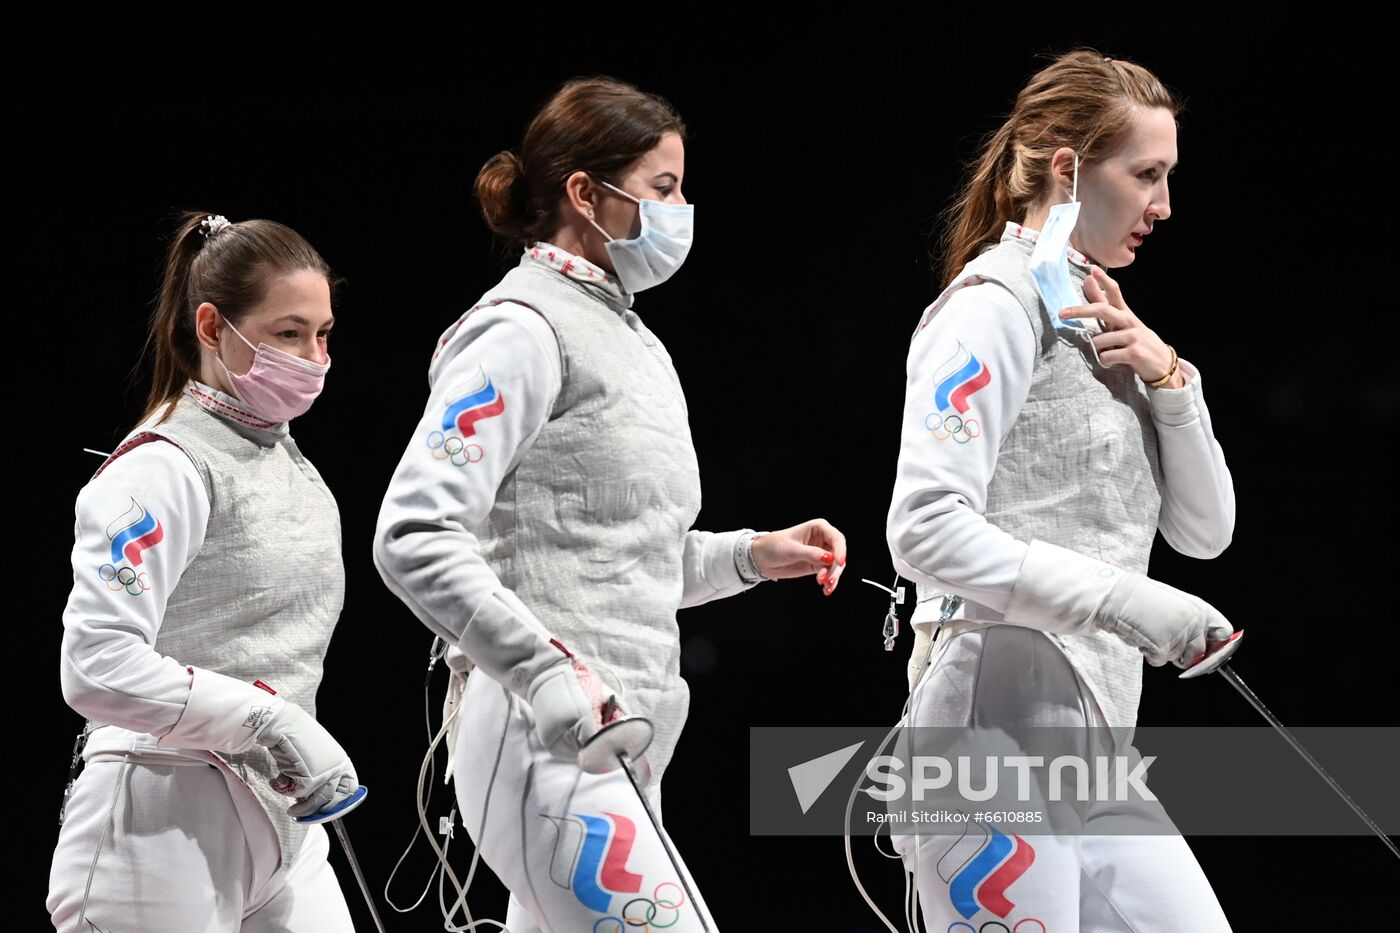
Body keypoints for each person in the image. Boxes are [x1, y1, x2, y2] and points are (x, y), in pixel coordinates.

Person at [373, 76, 847, 932]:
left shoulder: (630, 339)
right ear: (585, 194)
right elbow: (411, 533)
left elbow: (611, 553)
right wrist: (547, 668)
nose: (680, 209)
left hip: (621, 745)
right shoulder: (519, 329)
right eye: (662, 189)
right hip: (539, 737)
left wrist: (749, 554)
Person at [885, 50, 1236, 930]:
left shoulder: (1101, 321)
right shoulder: (992, 306)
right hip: (986, 738)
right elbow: (924, 528)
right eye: (1147, 175)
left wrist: (1170, 380)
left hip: (1091, 749)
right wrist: (1121, 599)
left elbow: (1205, 533)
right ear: (1069, 170)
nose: (1163, 206)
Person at [48, 213, 360, 931]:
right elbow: (95, 663)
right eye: (288, 333)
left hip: (282, 826)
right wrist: (266, 716)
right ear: (213, 326)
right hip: (157, 821)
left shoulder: (290, 464)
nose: (315, 356)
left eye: (323, 333)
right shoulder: (162, 467)